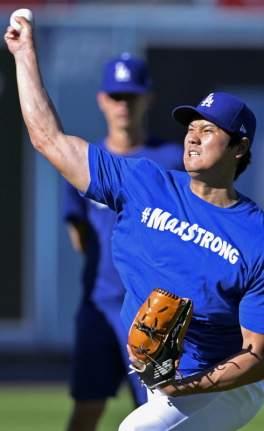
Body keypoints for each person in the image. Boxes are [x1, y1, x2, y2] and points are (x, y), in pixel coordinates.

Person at [6, 17, 264, 431]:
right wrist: (24, 55)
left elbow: (257, 356)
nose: (192, 137)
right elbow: (49, 140)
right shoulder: (144, 182)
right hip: (165, 376)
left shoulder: (259, 243)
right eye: (190, 128)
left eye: (208, 130)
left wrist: (185, 385)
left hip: (228, 385)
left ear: (239, 146)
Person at [61, 53, 184, 431]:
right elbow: (79, 235)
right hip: (100, 302)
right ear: (101, 99)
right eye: (116, 96)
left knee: (156, 410)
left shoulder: (172, 160)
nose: (123, 104)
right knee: (87, 406)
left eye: (131, 95)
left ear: (148, 97)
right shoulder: (87, 163)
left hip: (155, 306)